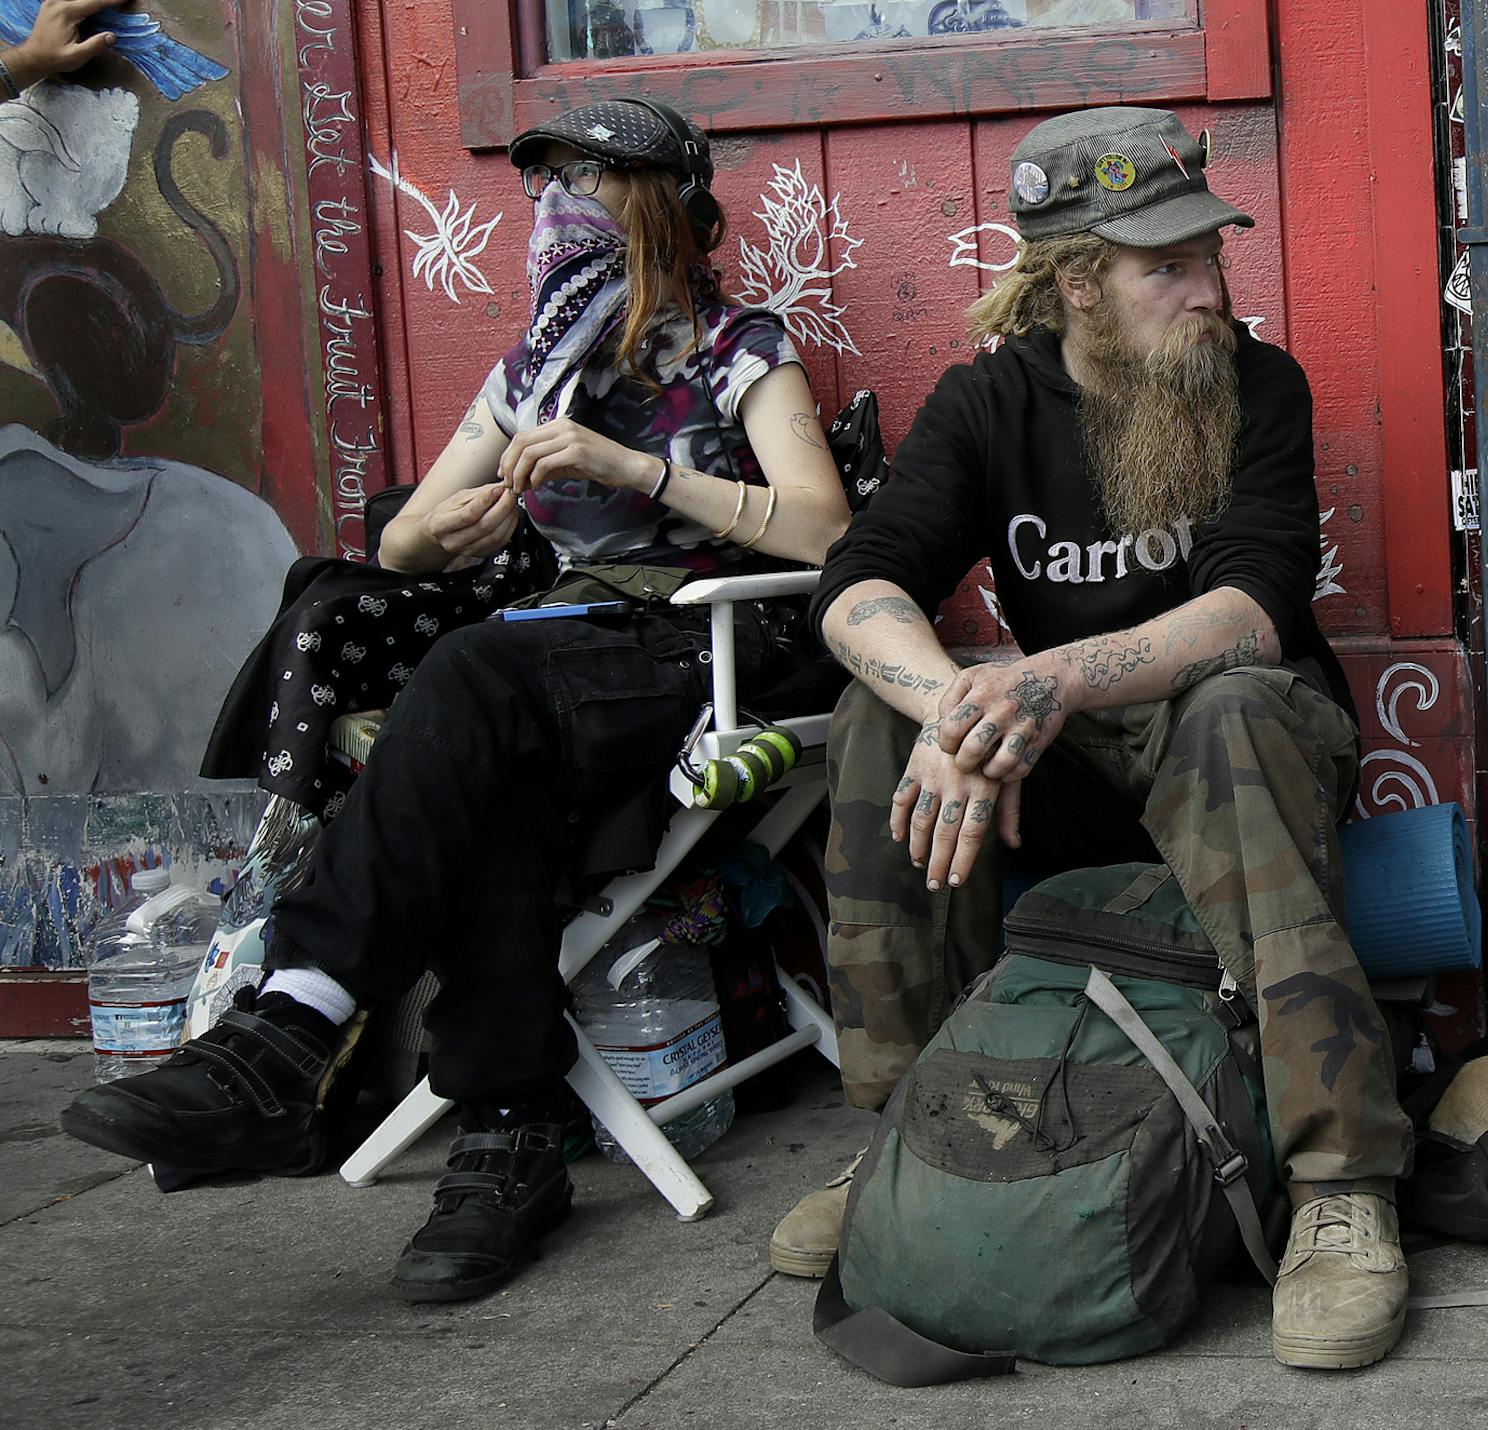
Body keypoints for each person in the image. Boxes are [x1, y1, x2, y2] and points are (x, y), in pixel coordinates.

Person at [61, 99, 851, 1302]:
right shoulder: (531, 369)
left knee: (475, 672)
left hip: (710, 644)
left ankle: (295, 1021)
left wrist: (637, 468)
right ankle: (509, 1131)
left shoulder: (738, 346)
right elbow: (406, 543)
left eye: (587, 181)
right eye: (545, 184)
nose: (556, 207)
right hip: (560, 658)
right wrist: (437, 536)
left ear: (666, 208)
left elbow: (827, 529)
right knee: (490, 761)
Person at [767, 107, 1416, 1370]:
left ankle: (1343, 1180)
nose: (1208, 288)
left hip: (1243, 754)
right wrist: (953, 707)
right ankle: (911, 1126)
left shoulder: (1258, 386)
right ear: (1076, 281)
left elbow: (1253, 610)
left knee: (1230, 701)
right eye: (1166, 265)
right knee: (871, 717)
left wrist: (1040, 683)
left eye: (1209, 255)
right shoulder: (988, 402)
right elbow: (859, 582)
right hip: (1066, 769)